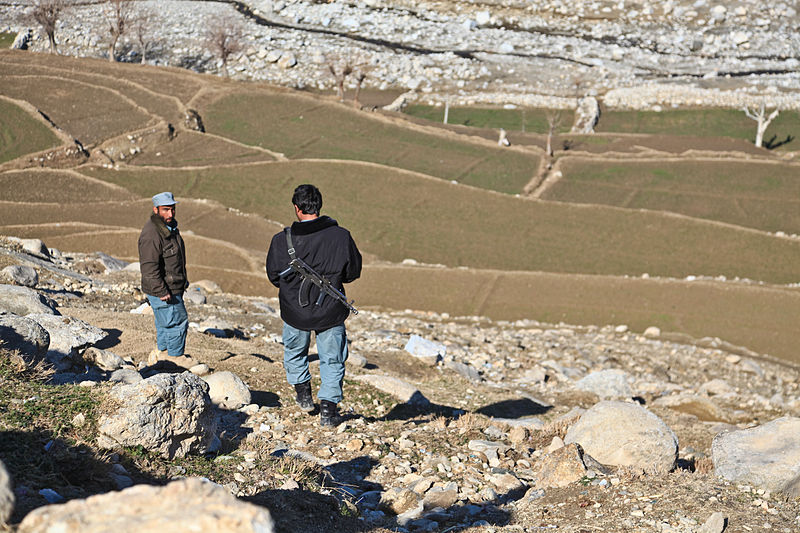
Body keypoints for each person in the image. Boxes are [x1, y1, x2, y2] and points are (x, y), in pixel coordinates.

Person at [266, 184, 362, 426]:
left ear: (297, 209)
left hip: (294, 311)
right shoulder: (341, 236)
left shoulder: (281, 240)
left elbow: (273, 276)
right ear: (319, 206)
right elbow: (352, 272)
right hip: (330, 310)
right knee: (333, 358)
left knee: (295, 351)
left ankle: (303, 395)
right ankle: (328, 411)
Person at [138, 192, 192, 368]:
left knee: (164, 323)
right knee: (177, 321)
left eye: (172, 209)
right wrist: (160, 290)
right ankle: (175, 358)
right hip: (164, 289)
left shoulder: (169, 229)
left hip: (172, 286)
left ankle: (163, 355)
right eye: (165, 210)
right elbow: (148, 267)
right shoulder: (152, 234)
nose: (170, 214)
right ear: (155, 210)